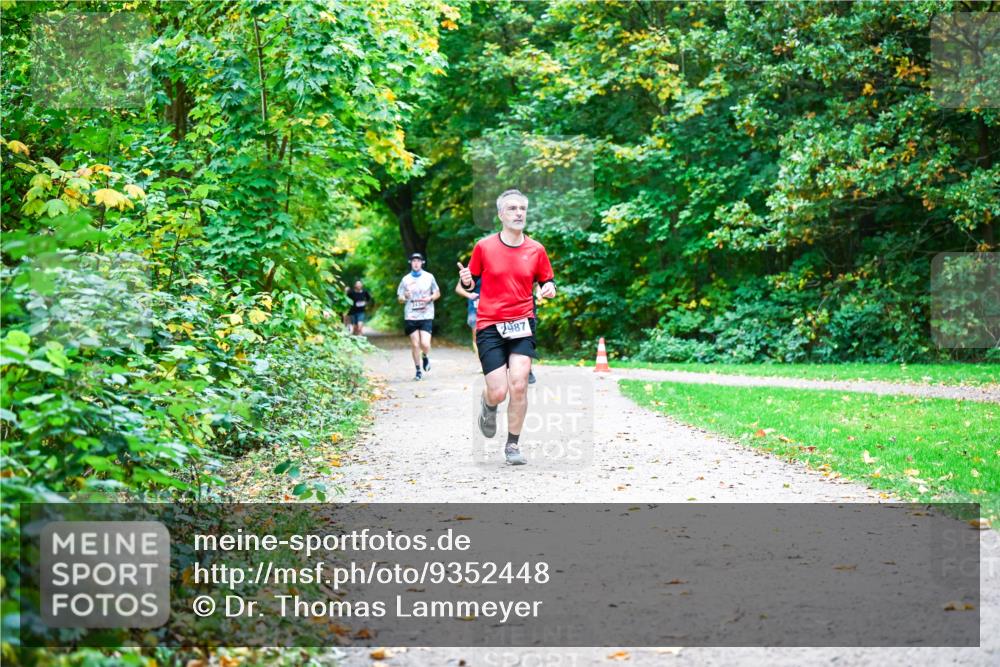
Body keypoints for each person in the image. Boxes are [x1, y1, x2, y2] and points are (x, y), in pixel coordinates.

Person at [458, 189, 555, 465]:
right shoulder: (484, 247)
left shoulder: (536, 250)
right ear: (501, 214)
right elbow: (470, 282)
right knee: (499, 391)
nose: (519, 213)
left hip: (522, 323)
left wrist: (548, 288)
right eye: (512, 208)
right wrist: (466, 279)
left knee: (520, 385)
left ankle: (512, 445)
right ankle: (488, 405)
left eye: (522, 208)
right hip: (489, 324)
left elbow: (547, 280)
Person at [397, 252, 440, 380]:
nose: (416, 263)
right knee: (415, 344)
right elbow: (399, 298)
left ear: (422, 263)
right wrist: (404, 297)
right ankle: (418, 370)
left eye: (418, 261)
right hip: (411, 315)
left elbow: (437, 293)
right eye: (413, 261)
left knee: (425, 344)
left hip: (426, 314)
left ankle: (425, 356)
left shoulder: (429, 277)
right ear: (410, 263)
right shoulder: (405, 279)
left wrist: (430, 298)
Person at [455, 277, 481, 353]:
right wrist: (469, 295)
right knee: (476, 335)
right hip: (475, 308)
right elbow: (458, 288)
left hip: (494, 307)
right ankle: (480, 359)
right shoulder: (471, 269)